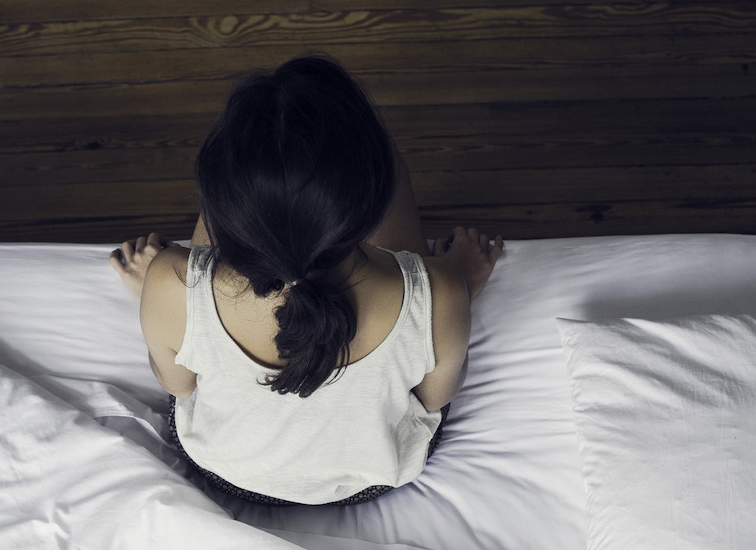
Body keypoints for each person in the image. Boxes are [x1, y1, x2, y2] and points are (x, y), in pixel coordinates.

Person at [110, 54, 501, 506]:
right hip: (369, 479)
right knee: (385, 167)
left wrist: (167, 297)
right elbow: (433, 400)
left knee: (224, 227)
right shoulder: (442, 292)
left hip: (226, 470)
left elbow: (179, 386)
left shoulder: (169, 280)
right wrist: (456, 285)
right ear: (366, 207)